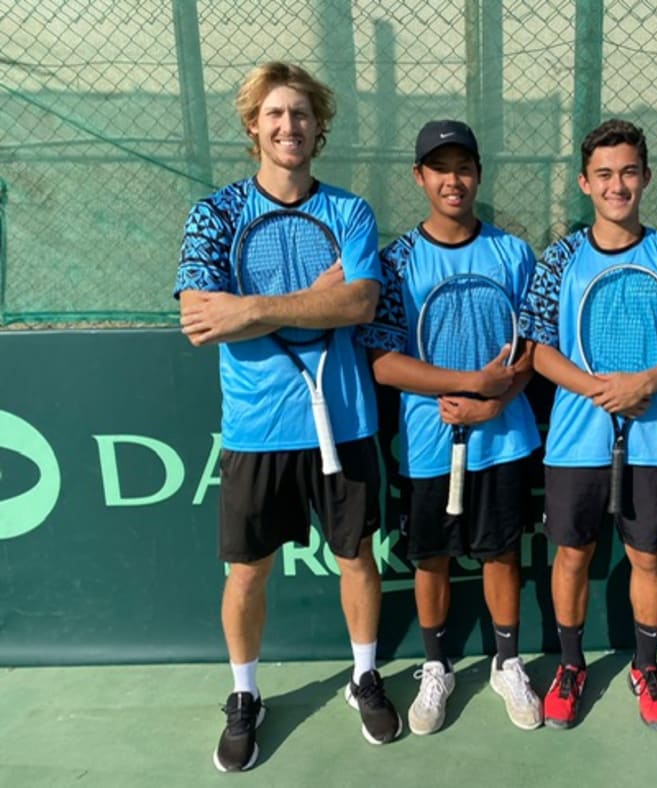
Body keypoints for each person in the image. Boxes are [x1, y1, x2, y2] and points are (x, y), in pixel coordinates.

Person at [173, 62, 401, 772]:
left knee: (356, 557)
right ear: (253, 127)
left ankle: (364, 676)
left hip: (347, 423)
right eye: (274, 115)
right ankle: (245, 696)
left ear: (318, 127)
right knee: (246, 574)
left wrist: (252, 305)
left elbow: (360, 303)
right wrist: (310, 296)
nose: (288, 126)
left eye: (300, 115)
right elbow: (197, 320)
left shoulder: (351, 213)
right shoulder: (215, 215)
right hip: (254, 430)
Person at [519, 119, 657, 731]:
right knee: (572, 555)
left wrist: (646, 383)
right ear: (584, 183)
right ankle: (572, 665)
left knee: (649, 558)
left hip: (652, 441)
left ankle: (647, 667)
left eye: (629, 171)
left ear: (646, 177)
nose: (617, 184)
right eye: (604, 174)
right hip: (576, 442)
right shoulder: (560, 259)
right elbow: (540, 351)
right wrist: (602, 389)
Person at [357, 120, 544, 734]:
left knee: (501, 553)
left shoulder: (513, 254)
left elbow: (530, 349)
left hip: (504, 436)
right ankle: (436, 666)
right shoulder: (397, 261)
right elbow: (384, 363)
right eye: (440, 168)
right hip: (429, 442)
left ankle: (506, 661)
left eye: (464, 167)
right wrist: (465, 387)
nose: (453, 179)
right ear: (420, 178)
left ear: (478, 175)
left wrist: (496, 400)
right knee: (431, 557)